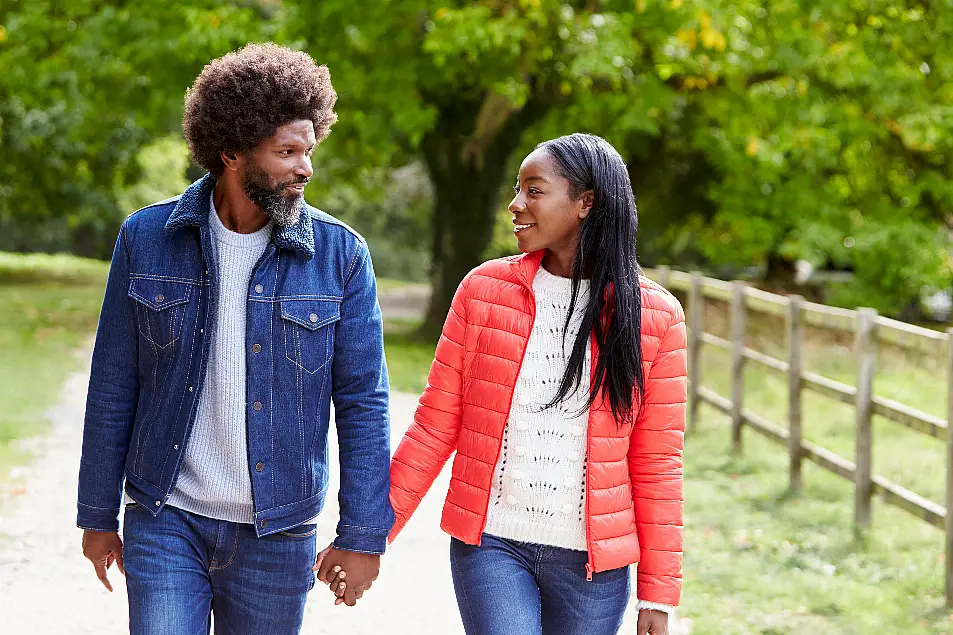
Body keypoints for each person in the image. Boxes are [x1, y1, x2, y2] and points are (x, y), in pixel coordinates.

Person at [76, 43, 393, 634]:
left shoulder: (340, 256)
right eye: (287, 152)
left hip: (278, 530)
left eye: (309, 150)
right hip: (166, 514)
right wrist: (97, 514)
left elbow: (363, 402)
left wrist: (363, 535)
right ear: (230, 152)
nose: (306, 168)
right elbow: (114, 382)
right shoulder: (145, 239)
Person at [385, 133, 686, 635]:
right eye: (516, 188)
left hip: (595, 566)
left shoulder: (655, 316)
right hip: (492, 545)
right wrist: (371, 535)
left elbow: (656, 461)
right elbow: (435, 426)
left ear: (585, 203)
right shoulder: (483, 291)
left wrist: (658, 592)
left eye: (534, 190)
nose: (515, 204)